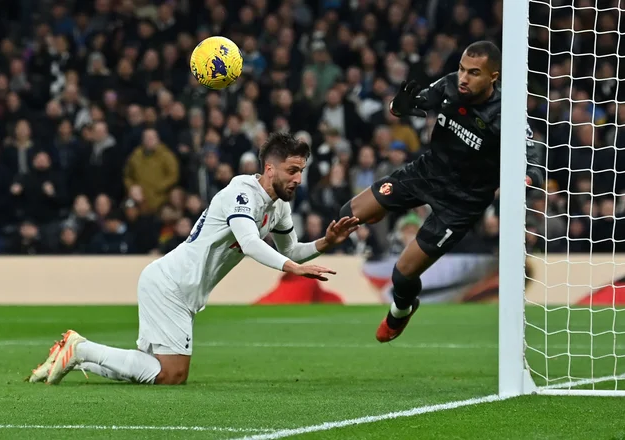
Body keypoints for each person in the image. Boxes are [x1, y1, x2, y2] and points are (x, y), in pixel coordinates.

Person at [27, 132, 358, 385]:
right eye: (292, 170)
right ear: (269, 168)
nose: (298, 179)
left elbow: (290, 249)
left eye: (301, 171)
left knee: (151, 369)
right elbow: (250, 242)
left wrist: (326, 242)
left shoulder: (280, 207)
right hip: (170, 283)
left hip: (182, 289)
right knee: (171, 374)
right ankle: (80, 349)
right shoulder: (241, 193)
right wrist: (294, 268)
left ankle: (75, 354)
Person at [338, 41, 543, 342]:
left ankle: (401, 311)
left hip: (461, 203)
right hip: (428, 173)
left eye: (474, 73)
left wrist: (527, 179)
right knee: (350, 214)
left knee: (402, 274)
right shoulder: (449, 85)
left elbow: (534, 161)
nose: (463, 78)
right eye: (461, 69)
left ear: (493, 77)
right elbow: (409, 105)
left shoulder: (506, 115)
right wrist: (400, 106)